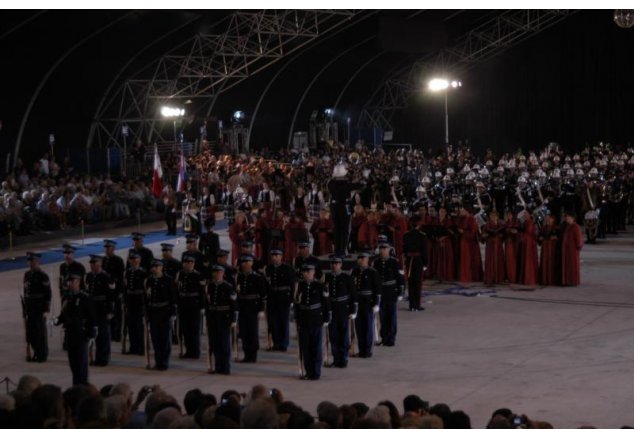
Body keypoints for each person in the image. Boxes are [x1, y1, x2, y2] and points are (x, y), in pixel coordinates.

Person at [54, 273, 97, 385]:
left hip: (81, 334)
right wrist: (56, 321)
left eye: (72, 281)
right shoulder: (67, 297)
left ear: (78, 282)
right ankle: (76, 384)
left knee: (81, 363)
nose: (69, 284)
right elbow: (63, 315)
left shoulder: (85, 297)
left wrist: (91, 332)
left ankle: (82, 385)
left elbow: (91, 316)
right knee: (73, 363)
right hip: (70, 334)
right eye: (69, 281)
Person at [294, 264, 331, 380]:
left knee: (316, 347)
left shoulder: (320, 286)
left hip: (316, 319)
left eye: (308, 271)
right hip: (304, 320)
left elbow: (326, 304)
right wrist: (297, 319)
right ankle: (308, 371)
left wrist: (326, 318)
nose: (305, 273)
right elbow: (297, 304)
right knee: (306, 348)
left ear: (313, 272)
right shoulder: (299, 286)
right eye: (304, 271)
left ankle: (316, 372)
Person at [324, 255, 357, 368]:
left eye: (337, 263)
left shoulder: (347, 277)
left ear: (341, 265)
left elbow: (353, 295)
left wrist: (353, 310)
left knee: (343, 336)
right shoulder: (327, 278)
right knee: (333, 336)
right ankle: (336, 358)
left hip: (343, 309)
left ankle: (343, 359)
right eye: (333, 263)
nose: (334, 265)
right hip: (332, 310)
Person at [144, 260, 177, 370]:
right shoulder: (149, 280)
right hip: (153, 312)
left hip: (164, 312)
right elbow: (146, 298)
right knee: (155, 339)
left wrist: (173, 313)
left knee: (164, 339)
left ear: (161, 267)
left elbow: (173, 298)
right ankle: (158, 361)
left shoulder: (168, 280)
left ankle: (164, 362)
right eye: (153, 266)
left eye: (157, 266)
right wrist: (146, 313)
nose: (154, 268)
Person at [205, 265, 238, 375]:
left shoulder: (228, 287)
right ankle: (218, 366)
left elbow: (234, 305)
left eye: (219, 272)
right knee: (215, 344)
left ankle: (226, 367)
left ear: (223, 274)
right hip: (213, 317)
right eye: (215, 272)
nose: (217, 274)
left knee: (224, 344)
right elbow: (207, 302)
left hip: (224, 318)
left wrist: (234, 319)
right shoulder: (209, 286)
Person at [235, 254, 268, 363]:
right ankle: (246, 353)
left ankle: (252, 354)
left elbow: (263, 295)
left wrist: (261, 309)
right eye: (243, 262)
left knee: (252, 332)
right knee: (243, 331)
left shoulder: (257, 277)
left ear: (252, 264)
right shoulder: (239, 276)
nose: (245, 264)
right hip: (242, 307)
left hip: (253, 308)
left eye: (247, 262)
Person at [85, 255, 116, 366]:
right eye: (92, 263)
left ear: (100, 264)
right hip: (92, 309)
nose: (93, 265)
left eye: (95, 263)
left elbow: (111, 296)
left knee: (103, 335)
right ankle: (96, 358)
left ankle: (103, 359)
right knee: (94, 334)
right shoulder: (88, 276)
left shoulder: (106, 277)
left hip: (103, 309)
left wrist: (110, 311)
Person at [350, 252, 382, 358]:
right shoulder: (354, 271)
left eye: (362, 258)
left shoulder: (373, 272)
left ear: (367, 260)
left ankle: (367, 350)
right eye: (359, 258)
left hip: (368, 302)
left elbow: (377, 289)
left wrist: (376, 303)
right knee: (359, 327)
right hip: (358, 302)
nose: (360, 260)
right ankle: (361, 349)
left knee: (368, 327)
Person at [327, 163, 364, 254]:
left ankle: (337, 250)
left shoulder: (331, 183)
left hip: (335, 208)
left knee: (337, 229)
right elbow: (361, 185)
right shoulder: (346, 184)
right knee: (344, 230)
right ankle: (342, 250)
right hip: (345, 208)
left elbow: (332, 180)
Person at [22, 252, 52, 362]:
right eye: (29, 261)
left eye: (33, 261)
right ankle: (35, 352)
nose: (31, 264)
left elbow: (48, 294)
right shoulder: (27, 274)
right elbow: (26, 292)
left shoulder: (43, 276)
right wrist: (25, 308)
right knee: (31, 332)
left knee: (40, 333)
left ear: (38, 262)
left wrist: (46, 308)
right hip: (30, 307)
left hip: (39, 307)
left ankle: (42, 354)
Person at [175, 255, 206, 359]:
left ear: (193, 264)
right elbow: (177, 290)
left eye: (190, 263)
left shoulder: (198, 276)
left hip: (194, 305)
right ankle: (188, 350)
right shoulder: (180, 274)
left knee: (194, 329)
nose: (188, 264)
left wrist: (202, 307)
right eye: (186, 262)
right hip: (183, 304)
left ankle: (195, 352)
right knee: (185, 329)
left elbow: (202, 293)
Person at [265, 249, 296, 352]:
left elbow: (292, 285)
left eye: (277, 255)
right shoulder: (268, 268)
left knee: (283, 321)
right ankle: (276, 343)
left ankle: (284, 344)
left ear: (281, 257)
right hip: (272, 297)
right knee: (273, 321)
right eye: (273, 255)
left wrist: (292, 299)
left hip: (284, 297)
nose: (274, 257)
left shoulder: (287, 268)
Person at [373, 243, 404, 346]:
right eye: (381, 248)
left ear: (389, 250)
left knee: (391, 316)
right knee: (382, 316)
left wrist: (400, 292)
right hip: (381, 293)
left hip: (391, 292)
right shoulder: (376, 263)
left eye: (384, 248)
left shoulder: (394, 262)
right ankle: (384, 336)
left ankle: (391, 338)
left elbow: (400, 278)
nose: (382, 250)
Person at [123, 251, 146, 355]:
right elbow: (125, 288)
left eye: (136, 259)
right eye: (131, 259)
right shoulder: (127, 272)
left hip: (139, 301)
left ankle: (141, 348)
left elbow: (146, 289)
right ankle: (133, 347)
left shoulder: (143, 273)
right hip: (130, 301)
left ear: (139, 260)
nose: (134, 261)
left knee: (139, 326)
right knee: (131, 326)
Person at [402, 219, 428, 311]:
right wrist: (425, 263)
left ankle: (411, 305)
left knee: (411, 282)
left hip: (409, 260)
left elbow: (404, 250)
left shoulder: (406, 235)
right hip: (418, 260)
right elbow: (424, 251)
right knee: (417, 283)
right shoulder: (422, 236)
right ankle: (417, 305)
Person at [103, 240, 125, 343]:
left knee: (117, 313)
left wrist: (120, 291)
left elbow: (121, 278)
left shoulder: (118, 260)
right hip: (107, 291)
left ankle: (117, 334)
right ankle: (110, 333)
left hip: (116, 291)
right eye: (106, 248)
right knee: (109, 312)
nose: (107, 250)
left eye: (109, 248)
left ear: (113, 249)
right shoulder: (103, 260)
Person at [455, 206, 483, 283]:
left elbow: (472, 232)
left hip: (469, 243)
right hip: (464, 241)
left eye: (463, 210)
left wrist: (463, 232)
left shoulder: (471, 219)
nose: (461, 211)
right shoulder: (463, 218)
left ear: (467, 211)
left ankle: (469, 276)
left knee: (468, 259)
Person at [480, 211, 506, 286]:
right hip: (490, 245)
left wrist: (501, 235)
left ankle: (499, 278)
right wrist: (484, 235)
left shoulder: (500, 225)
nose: (493, 217)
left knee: (499, 260)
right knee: (490, 261)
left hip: (498, 246)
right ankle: (490, 278)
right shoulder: (487, 225)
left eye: (495, 216)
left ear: (497, 217)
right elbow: (483, 235)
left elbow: (504, 235)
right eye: (491, 216)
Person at [516, 209, 539, 286]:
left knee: (528, 262)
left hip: (529, 245)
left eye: (526, 213)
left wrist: (519, 234)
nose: (525, 215)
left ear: (530, 214)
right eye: (524, 213)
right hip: (526, 244)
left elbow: (528, 233)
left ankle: (529, 279)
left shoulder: (530, 222)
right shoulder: (526, 222)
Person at [561, 211, 583, 286]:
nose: (566, 218)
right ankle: (567, 280)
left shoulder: (576, 227)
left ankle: (573, 281)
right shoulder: (567, 227)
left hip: (572, 251)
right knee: (567, 265)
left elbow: (579, 240)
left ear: (572, 218)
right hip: (566, 250)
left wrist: (577, 247)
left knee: (572, 265)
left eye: (568, 217)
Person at [538, 213, 560, 286]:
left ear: (553, 219)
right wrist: (540, 239)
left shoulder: (556, 228)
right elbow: (539, 237)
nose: (547, 220)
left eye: (549, 218)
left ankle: (552, 280)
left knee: (551, 263)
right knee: (544, 262)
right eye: (546, 218)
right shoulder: (543, 228)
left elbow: (559, 238)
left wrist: (555, 238)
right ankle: (544, 279)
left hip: (552, 249)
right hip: (545, 248)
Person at [503, 210, 520, 284]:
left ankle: (513, 277)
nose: (509, 216)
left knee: (512, 260)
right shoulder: (506, 223)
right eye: (508, 215)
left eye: (510, 215)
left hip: (513, 244)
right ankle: (509, 277)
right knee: (508, 260)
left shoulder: (515, 222)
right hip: (507, 244)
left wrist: (512, 231)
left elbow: (517, 232)